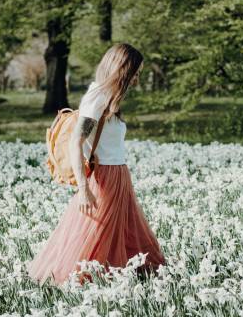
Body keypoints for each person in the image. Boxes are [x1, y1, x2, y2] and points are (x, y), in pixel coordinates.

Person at [27, 43, 166, 285]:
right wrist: (83, 189)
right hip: (104, 178)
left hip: (119, 175)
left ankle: (121, 277)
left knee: (120, 233)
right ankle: (87, 283)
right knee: (96, 237)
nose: (137, 79)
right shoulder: (97, 97)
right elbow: (75, 143)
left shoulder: (110, 99)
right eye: (136, 72)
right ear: (122, 69)